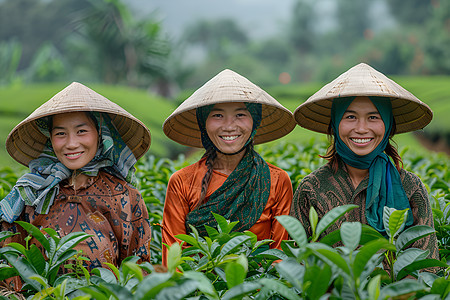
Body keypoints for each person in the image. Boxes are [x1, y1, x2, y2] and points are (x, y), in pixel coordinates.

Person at [0, 82, 153, 275]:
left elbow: (138, 268)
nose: (72, 144)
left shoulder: (125, 196)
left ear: (100, 134)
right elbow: (12, 262)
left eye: (82, 131)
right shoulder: (31, 194)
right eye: (60, 134)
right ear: (50, 138)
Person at [290, 63, 439, 258]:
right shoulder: (312, 188)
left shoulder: (410, 187)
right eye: (350, 116)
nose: (361, 128)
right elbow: (296, 259)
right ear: (335, 124)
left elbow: (427, 263)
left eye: (373, 117)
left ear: (387, 126)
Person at [161, 69, 296, 266]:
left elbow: (280, 257)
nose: (229, 126)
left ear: (255, 121)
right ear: (203, 123)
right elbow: (174, 261)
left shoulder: (276, 180)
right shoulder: (182, 182)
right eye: (217, 115)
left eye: (240, 114)